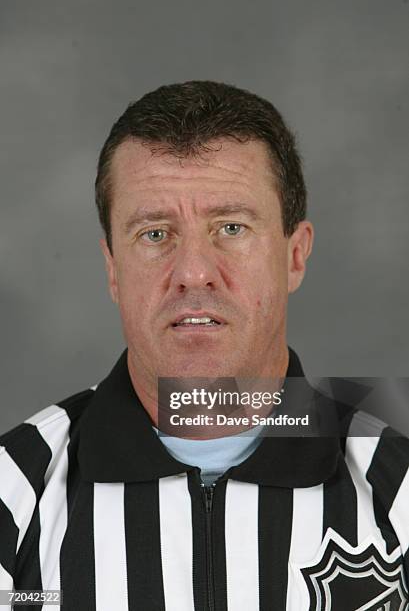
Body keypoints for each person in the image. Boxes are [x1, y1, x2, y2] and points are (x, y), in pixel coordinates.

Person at [0, 80, 408, 610]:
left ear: (295, 256)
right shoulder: (12, 495)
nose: (193, 273)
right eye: (154, 234)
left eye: (232, 228)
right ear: (113, 270)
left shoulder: (398, 491)